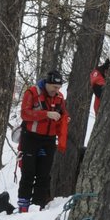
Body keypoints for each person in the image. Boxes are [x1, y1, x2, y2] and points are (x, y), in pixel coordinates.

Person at [17, 69, 69, 211]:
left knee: (44, 174)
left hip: (49, 140)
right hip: (31, 138)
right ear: (47, 83)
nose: (56, 90)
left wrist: (64, 119)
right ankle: (23, 206)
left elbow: (63, 113)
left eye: (58, 88)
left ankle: (38, 205)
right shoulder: (32, 92)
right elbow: (24, 113)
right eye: (54, 87)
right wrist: (46, 114)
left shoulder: (59, 97)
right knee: (28, 172)